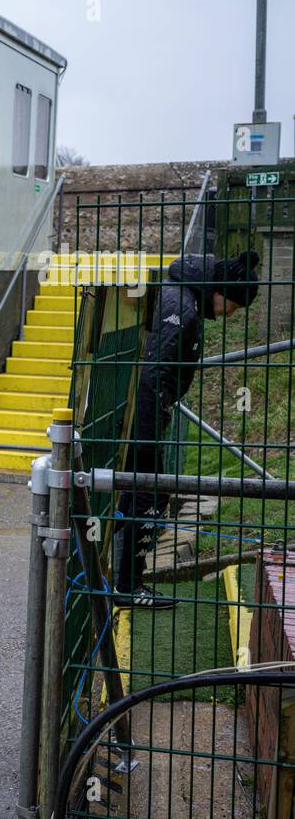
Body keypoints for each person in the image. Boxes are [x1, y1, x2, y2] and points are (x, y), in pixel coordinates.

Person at [113, 250, 260, 609]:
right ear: (221, 290)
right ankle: (127, 585)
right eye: (235, 305)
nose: (232, 314)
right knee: (148, 496)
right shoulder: (184, 308)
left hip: (145, 416)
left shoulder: (181, 296)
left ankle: (117, 576)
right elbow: (154, 373)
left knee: (136, 495)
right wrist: (151, 429)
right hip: (145, 418)